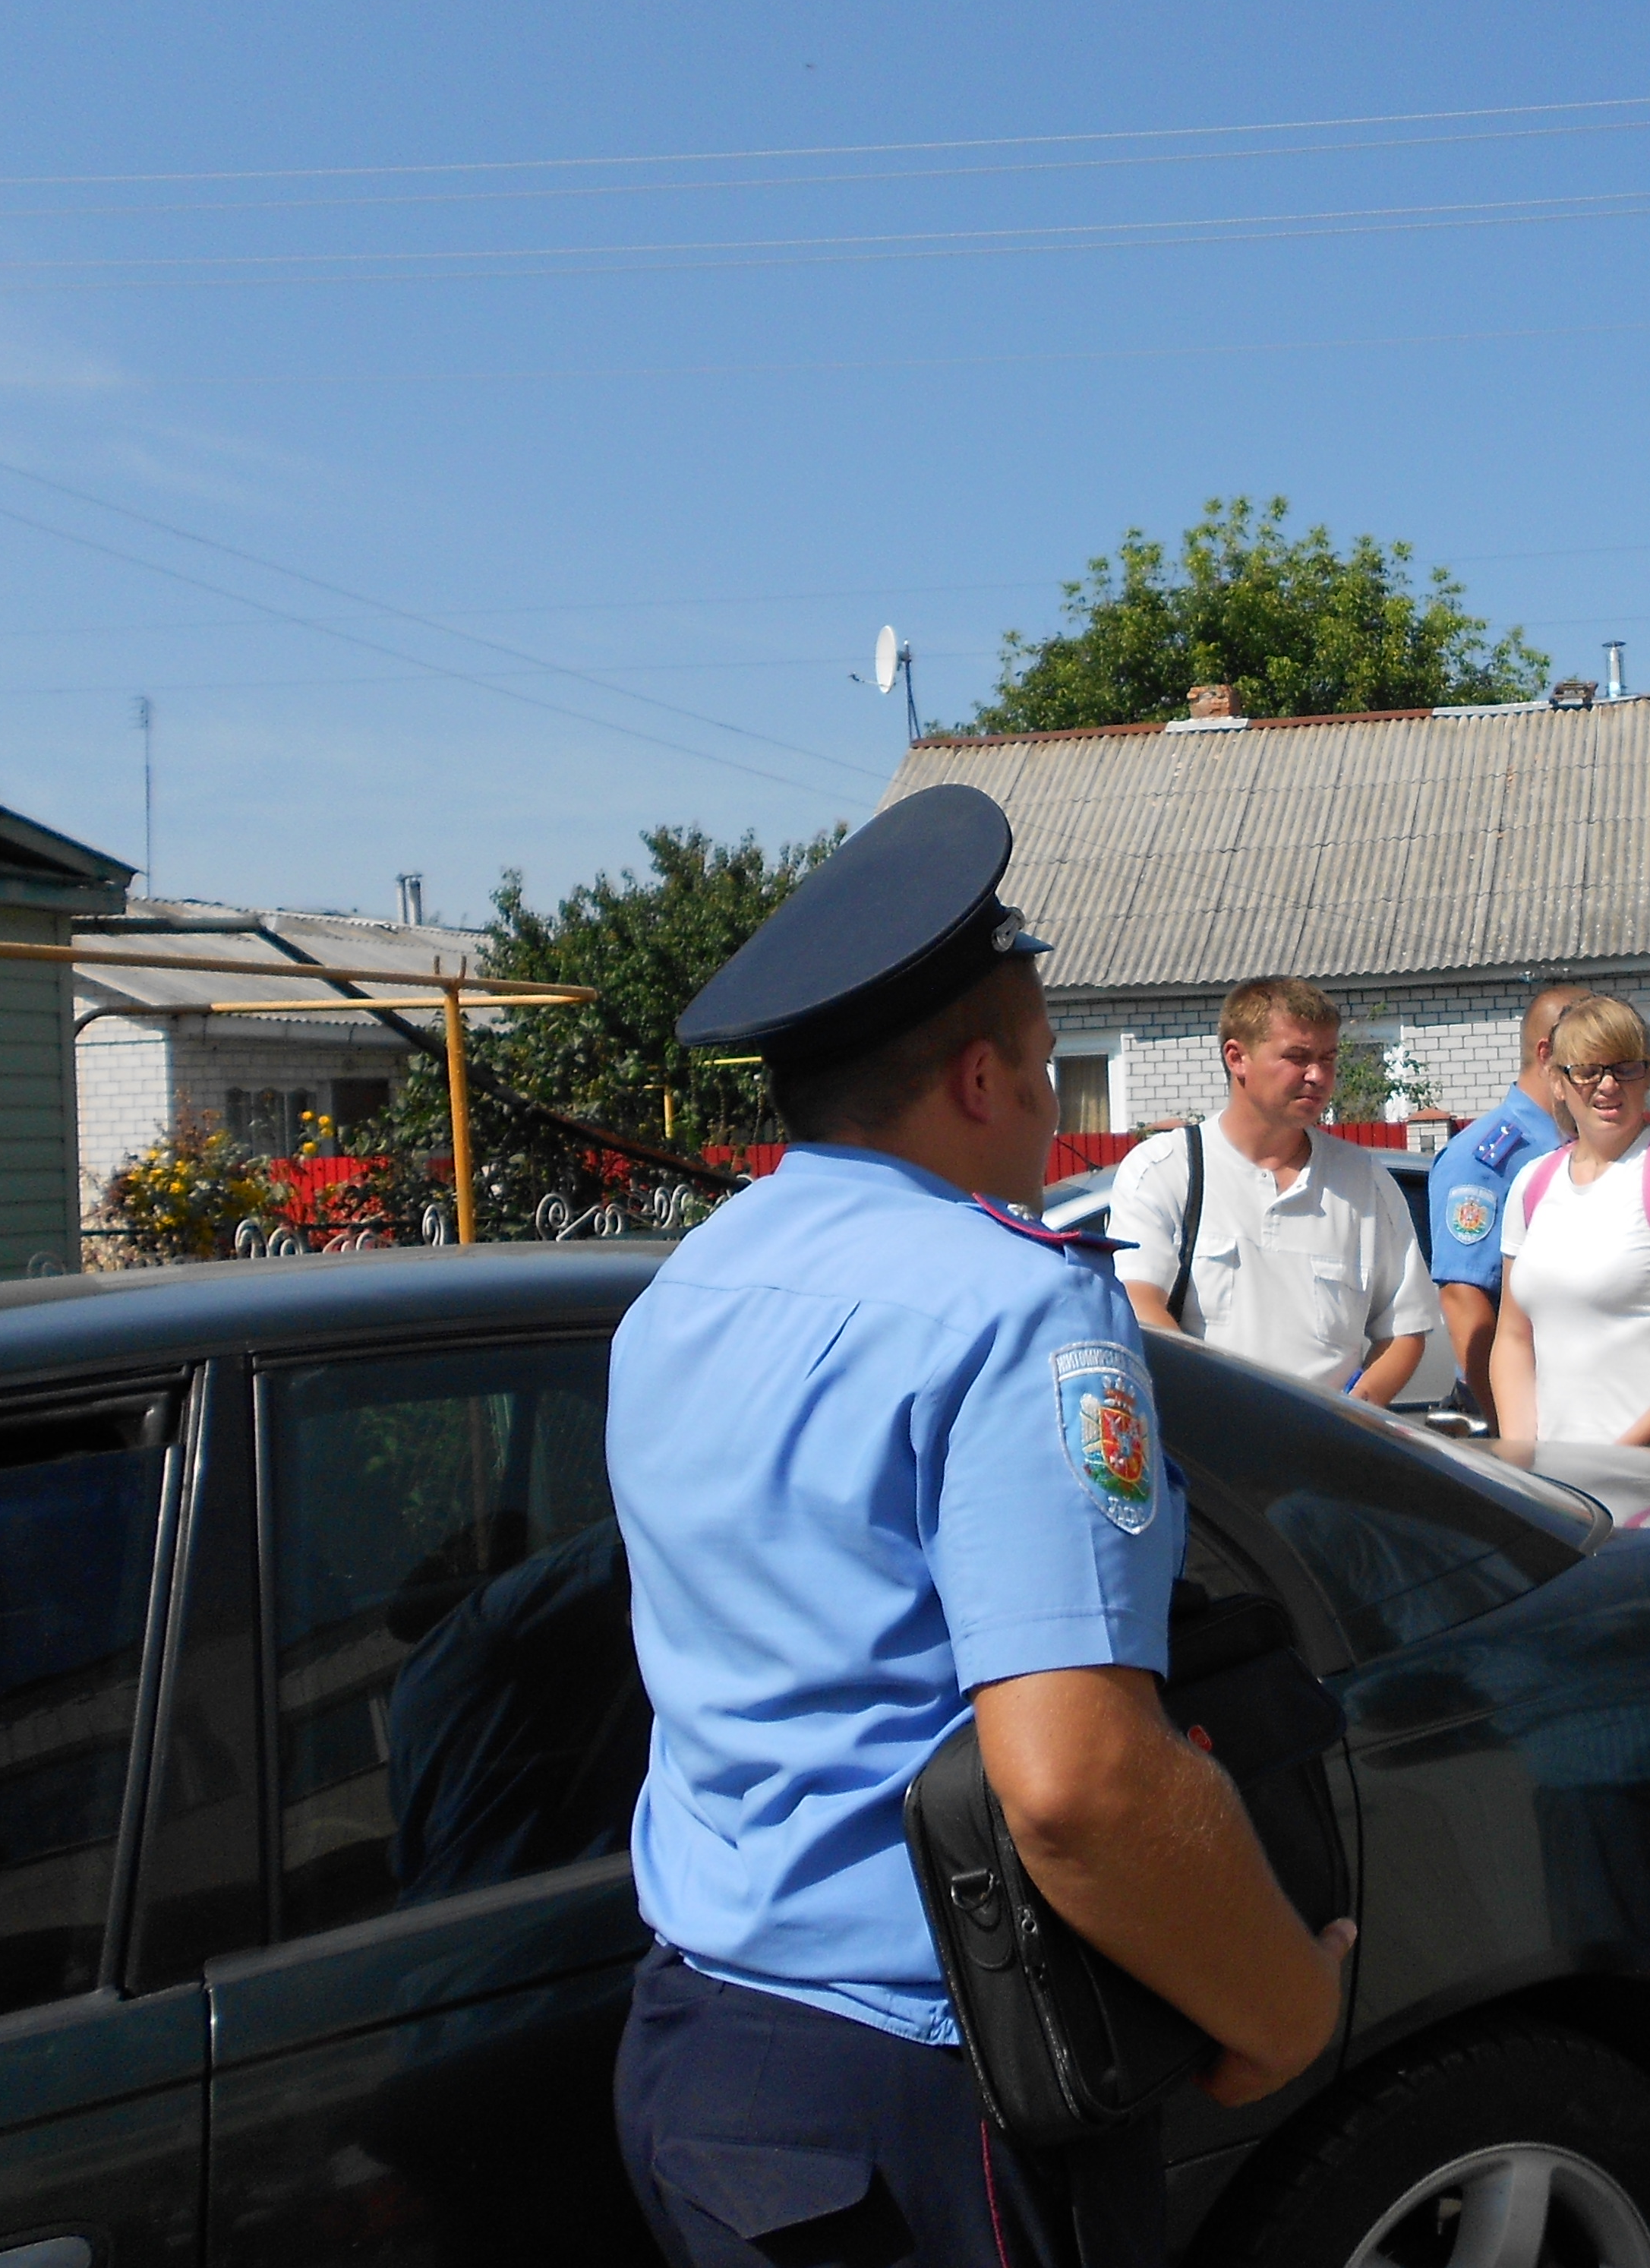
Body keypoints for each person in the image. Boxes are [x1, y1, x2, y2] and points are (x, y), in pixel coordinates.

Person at [608, 787, 1353, 2268]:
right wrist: (1284, 2015)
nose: (1053, 1110)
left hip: (701, 2047)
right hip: (930, 2085)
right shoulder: (1016, 1306)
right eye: (1046, 1068)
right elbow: (1078, 1784)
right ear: (977, 1081)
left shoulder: (684, 1286)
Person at [1109, 977, 1438, 1404]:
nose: (1317, 1075)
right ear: (1237, 1058)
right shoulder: (1167, 1170)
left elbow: (1403, 1331)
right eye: (1297, 1058)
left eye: (1328, 1058)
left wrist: (1349, 1419)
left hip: (1322, 1441)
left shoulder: (1364, 1182)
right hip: (1203, 1436)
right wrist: (1217, 1414)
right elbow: (1138, 1306)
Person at [1491, 994, 1650, 1459]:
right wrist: (1523, 1457)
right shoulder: (1533, 1183)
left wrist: (1620, 1455)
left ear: (1649, 1075)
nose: (1608, 1085)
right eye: (1587, 1071)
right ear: (1557, 1081)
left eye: (1626, 1068)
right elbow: (1513, 1337)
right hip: (1561, 1483)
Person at [1423, 981, 1592, 1423]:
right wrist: (1511, 1426)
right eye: (1588, 1054)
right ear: (1547, 1053)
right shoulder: (1487, 1158)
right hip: (1521, 1405)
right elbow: (1464, 1301)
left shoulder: (1584, 1143)